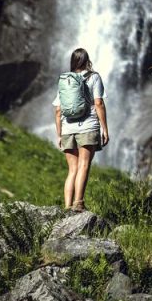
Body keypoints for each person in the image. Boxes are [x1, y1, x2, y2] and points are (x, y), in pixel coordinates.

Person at [53, 48, 109, 210]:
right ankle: (79, 203)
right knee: (84, 165)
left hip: (67, 128)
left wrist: (59, 134)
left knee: (72, 170)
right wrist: (105, 129)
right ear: (87, 60)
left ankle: (67, 206)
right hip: (87, 126)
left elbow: (58, 110)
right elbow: (98, 103)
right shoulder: (94, 77)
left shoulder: (65, 80)